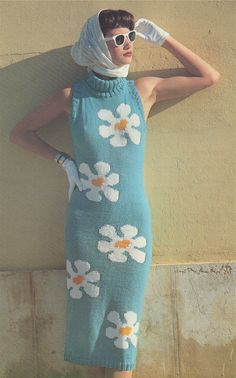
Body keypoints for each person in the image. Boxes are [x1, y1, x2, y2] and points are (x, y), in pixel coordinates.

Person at [9, 8, 220, 378]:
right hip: (86, 224)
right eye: (119, 39)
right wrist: (63, 162)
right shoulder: (71, 97)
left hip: (132, 227)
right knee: (91, 325)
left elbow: (209, 76)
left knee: (124, 327)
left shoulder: (144, 90)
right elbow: (20, 134)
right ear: (97, 44)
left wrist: (164, 37)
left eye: (131, 37)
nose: (128, 45)